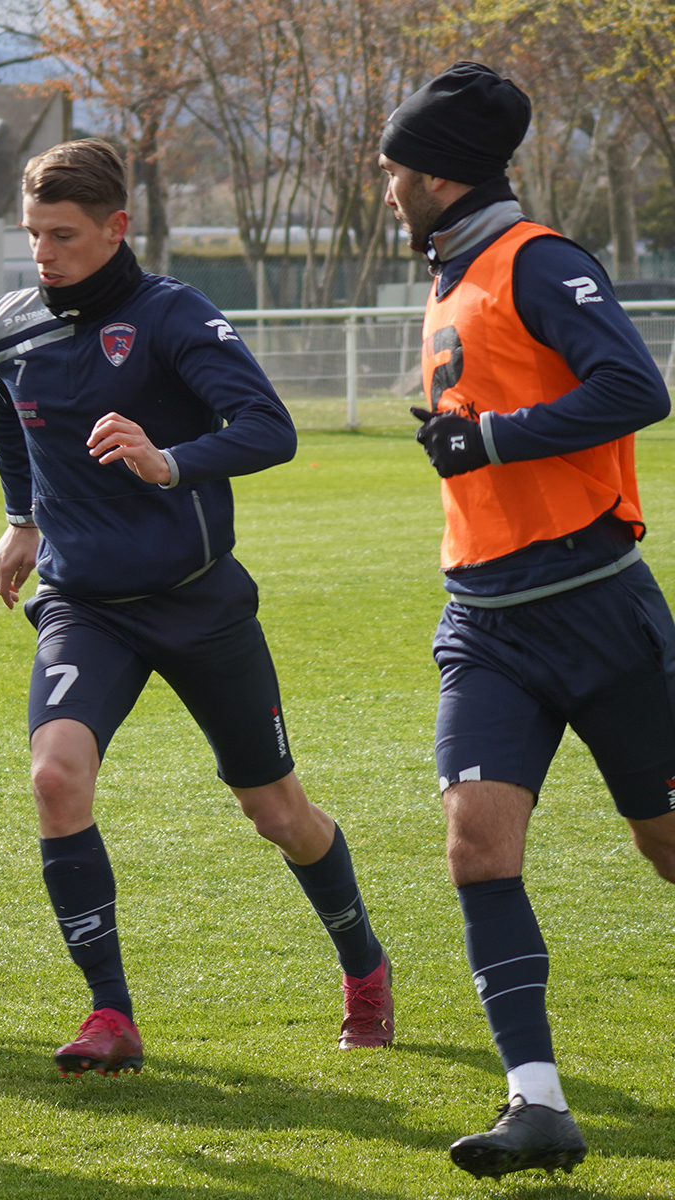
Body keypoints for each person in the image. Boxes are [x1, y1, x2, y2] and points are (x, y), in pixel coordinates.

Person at [0, 139, 394, 1079]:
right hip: (85, 603)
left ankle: (363, 967)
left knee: (277, 811)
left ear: (117, 228)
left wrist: (170, 459)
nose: (45, 254)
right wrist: (22, 522)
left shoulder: (172, 315)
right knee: (55, 777)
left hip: (198, 603)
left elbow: (269, 428)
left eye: (66, 236)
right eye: (34, 235)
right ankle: (110, 1013)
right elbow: (13, 419)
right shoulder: (7, 325)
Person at [379, 63, 675, 1179]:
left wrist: (490, 440)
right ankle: (536, 1103)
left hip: (593, 609)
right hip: (485, 620)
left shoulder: (537, 261)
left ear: (438, 172)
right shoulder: (450, 271)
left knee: (664, 846)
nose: (387, 185)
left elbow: (635, 390)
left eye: (395, 166)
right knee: (474, 845)